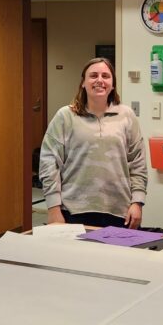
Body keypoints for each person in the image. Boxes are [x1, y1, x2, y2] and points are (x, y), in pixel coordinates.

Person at [39, 58, 147, 228]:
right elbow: (48, 162)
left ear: (112, 84)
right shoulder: (65, 116)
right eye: (93, 76)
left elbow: (138, 163)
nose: (99, 80)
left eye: (105, 76)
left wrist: (137, 202)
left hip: (120, 211)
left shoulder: (126, 116)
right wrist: (53, 208)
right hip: (74, 210)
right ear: (83, 83)